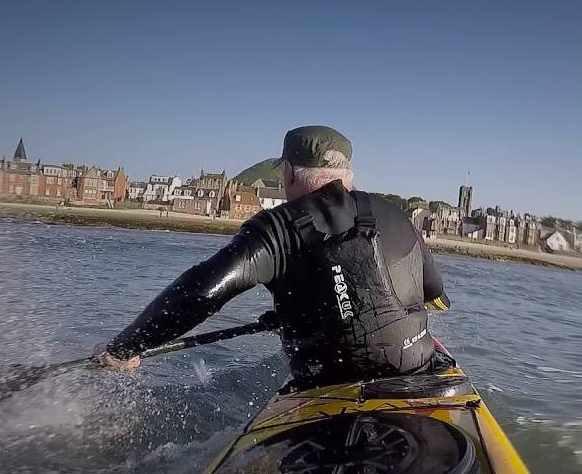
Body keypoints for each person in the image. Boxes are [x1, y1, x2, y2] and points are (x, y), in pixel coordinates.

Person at [97, 125, 450, 389]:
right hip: (415, 373)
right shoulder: (396, 213)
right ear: (347, 174)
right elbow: (434, 294)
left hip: (328, 387)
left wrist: (125, 348)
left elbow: (201, 292)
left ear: (290, 172)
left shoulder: (276, 228)